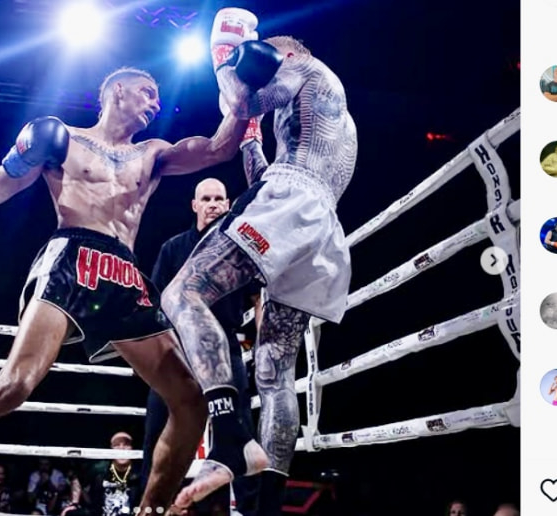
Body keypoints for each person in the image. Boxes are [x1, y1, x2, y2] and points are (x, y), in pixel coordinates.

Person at [0, 65, 251, 516]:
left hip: (124, 273)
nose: (156, 103)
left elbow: (219, 148)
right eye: (147, 92)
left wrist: (242, 86)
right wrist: (24, 154)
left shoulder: (153, 153)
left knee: (191, 400)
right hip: (71, 257)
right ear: (117, 91)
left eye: (158, 97)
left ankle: (151, 510)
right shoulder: (64, 139)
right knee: (13, 385)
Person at [161, 8, 357, 512]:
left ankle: (228, 435)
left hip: (291, 201)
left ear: (285, 54)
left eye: (269, 58)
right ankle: (267, 505)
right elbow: (265, 175)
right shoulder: (325, 112)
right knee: (274, 371)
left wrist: (224, 54)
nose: (263, 67)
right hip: (319, 228)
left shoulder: (303, 66)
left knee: (182, 293)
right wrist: (250, 136)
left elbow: (240, 100)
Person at [141, 178, 261, 515]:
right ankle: (151, 507)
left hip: (225, 346)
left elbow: (258, 298)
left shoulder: (241, 250)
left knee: (240, 429)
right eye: (205, 199)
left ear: (228, 204)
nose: (212, 204)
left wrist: (264, 344)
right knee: (157, 429)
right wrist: (152, 355)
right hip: (177, 350)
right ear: (194, 205)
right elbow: (153, 304)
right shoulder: (173, 248)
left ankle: (248, 511)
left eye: (219, 198)